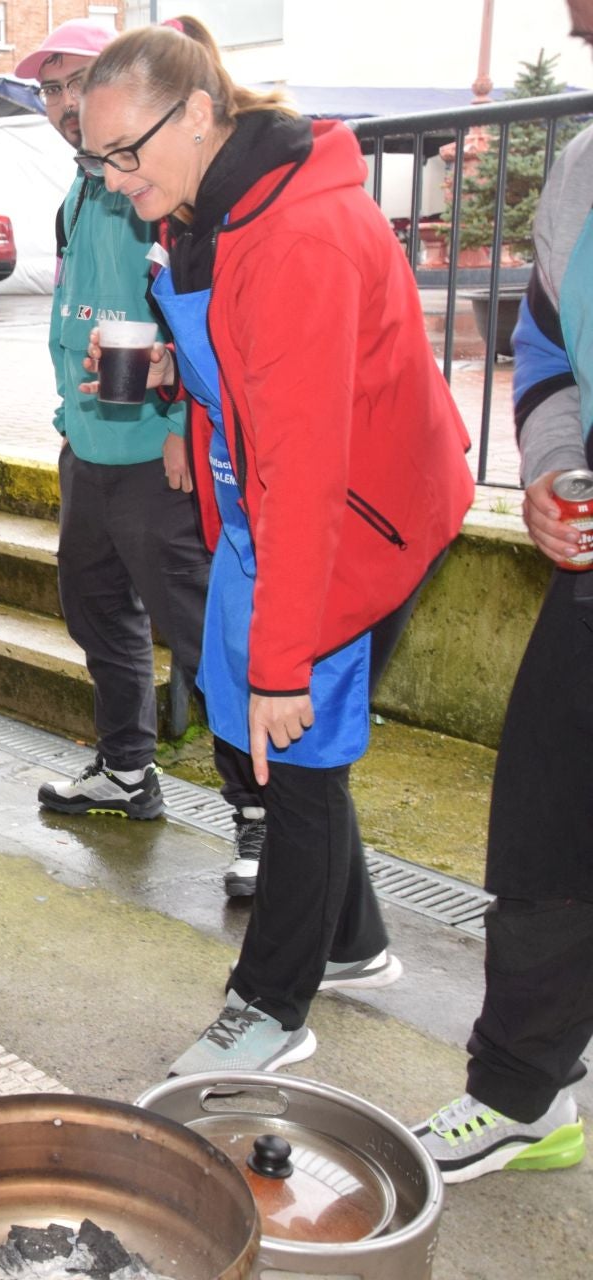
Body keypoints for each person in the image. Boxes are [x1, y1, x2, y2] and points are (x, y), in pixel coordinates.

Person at [76, 17, 473, 1076]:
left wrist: (282, 662)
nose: (114, 181)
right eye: (96, 159)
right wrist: (174, 387)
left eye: (126, 153)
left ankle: (270, 1005)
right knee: (286, 743)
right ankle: (353, 939)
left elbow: (305, 468)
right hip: (286, 507)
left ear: (199, 113)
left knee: (289, 748)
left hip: (358, 518)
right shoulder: (211, 203)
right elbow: (248, 377)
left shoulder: (299, 235)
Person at [18, 19, 265, 893]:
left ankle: (258, 816)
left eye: (74, 82)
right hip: (87, 444)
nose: (61, 104)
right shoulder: (84, 190)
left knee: (206, 637)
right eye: (47, 90)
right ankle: (128, 770)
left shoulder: (157, 185)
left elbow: (195, 309)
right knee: (96, 614)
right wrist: (66, 417)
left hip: (155, 452)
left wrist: (176, 432)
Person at [412, 0, 593, 1180]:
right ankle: (527, 1088)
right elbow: (545, 345)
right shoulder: (579, 166)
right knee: (540, 827)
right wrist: (556, 464)